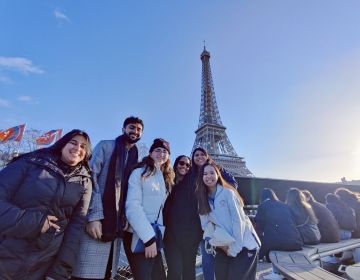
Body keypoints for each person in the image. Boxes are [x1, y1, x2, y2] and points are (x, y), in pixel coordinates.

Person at [0, 129, 93, 280]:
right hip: (6, 249)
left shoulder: (85, 182)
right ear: (62, 144)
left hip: (41, 264)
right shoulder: (30, 162)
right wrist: (35, 223)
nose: (78, 148)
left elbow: (75, 229)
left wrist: (59, 272)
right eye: (73, 143)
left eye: (83, 147)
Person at [72, 116, 144, 280]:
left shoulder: (135, 156)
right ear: (123, 129)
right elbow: (89, 178)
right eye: (132, 127)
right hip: (98, 221)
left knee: (105, 274)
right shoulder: (106, 146)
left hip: (117, 227)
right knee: (85, 274)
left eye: (139, 129)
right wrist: (94, 216)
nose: (135, 131)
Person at [197, 162, 260, 280]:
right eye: (205, 174)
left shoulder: (228, 193)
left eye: (212, 173)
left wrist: (235, 248)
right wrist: (222, 246)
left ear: (218, 175)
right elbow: (206, 225)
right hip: (223, 246)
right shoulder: (202, 199)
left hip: (244, 245)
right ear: (201, 178)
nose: (208, 176)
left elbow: (239, 221)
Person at [125, 138, 175, 280]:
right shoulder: (139, 173)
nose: (161, 153)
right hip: (141, 237)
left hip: (155, 236)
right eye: (158, 150)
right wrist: (148, 239)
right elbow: (133, 207)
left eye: (165, 151)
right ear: (150, 153)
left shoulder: (165, 178)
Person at [191, 147, 238, 280]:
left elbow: (233, 185)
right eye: (196, 155)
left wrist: (219, 196)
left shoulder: (219, 169)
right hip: (203, 222)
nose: (199, 157)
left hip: (221, 221)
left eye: (202, 154)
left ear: (207, 156)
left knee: (226, 258)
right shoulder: (191, 174)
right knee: (208, 257)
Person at [163, 155, 202, 280]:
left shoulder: (193, 185)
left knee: (189, 271)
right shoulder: (166, 183)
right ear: (175, 164)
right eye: (181, 163)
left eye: (188, 165)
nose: (184, 166)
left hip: (190, 237)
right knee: (175, 271)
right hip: (170, 236)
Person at [255, 188, 303, 262]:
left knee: (267, 241)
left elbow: (259, 227)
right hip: (295, 243)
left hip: (277, 244)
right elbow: (295, 221)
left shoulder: (262, 206)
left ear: (262, 197)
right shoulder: (284, 205)